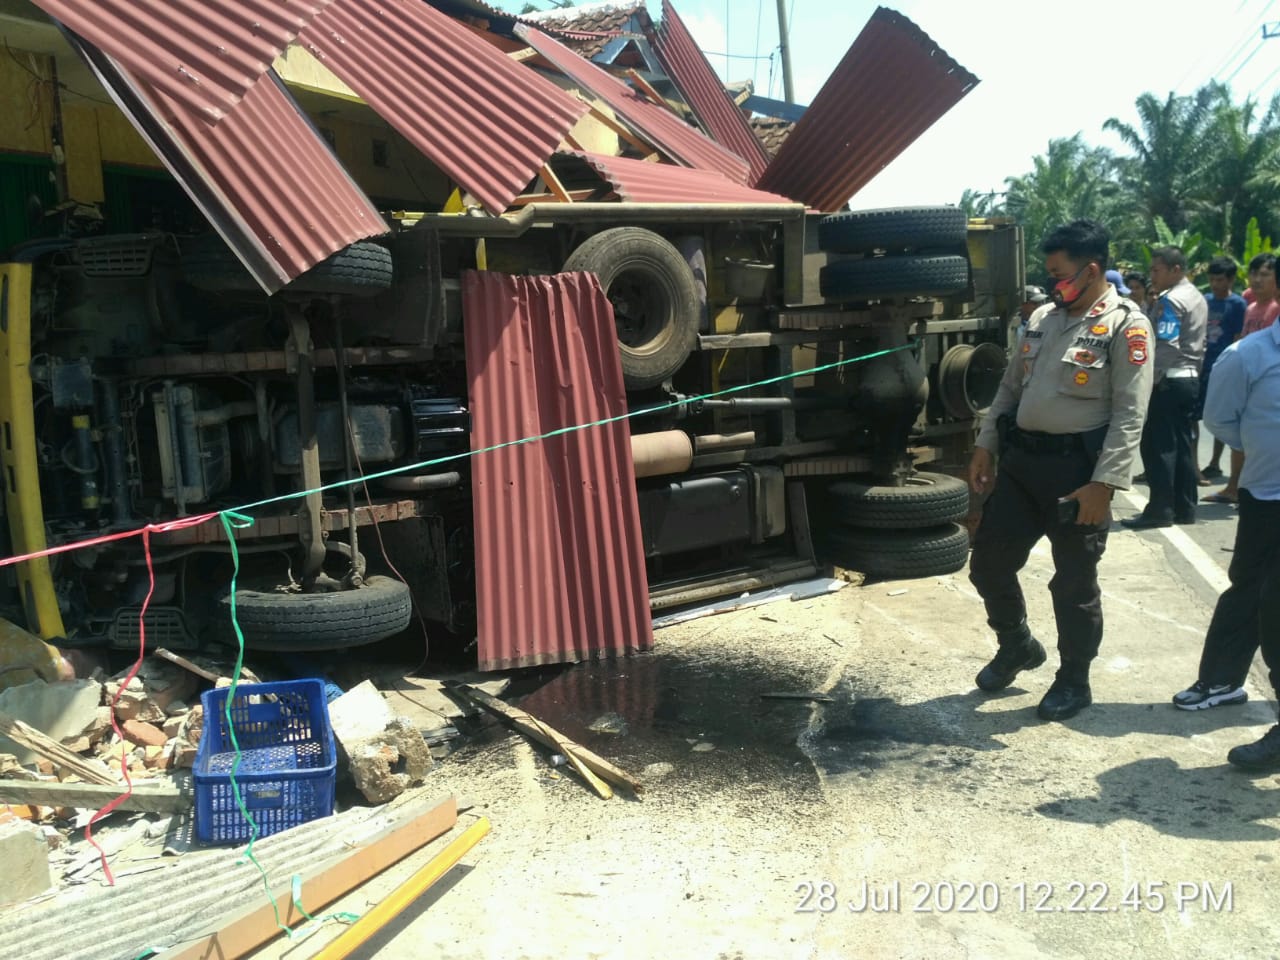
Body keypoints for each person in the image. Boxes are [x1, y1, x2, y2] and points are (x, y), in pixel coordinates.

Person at [968, 220, 1154, 721]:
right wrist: (986, 444)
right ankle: (1017, 645)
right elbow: (1010, 389)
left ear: (1091, 270)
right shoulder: (1044, 318)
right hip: (1022, 466)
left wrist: (1105, 484)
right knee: (987, 563)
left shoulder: (1125, 325)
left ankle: (1074, 679)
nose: (1053, 284)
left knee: (1073, 582)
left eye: (1060, 273)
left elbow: (1131, 414)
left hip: (1079, 475)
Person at [1170, 308, 1280, 771]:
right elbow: (1222, 422)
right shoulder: (1247, 356)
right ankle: (1221, 681)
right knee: (1255, 592)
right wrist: (1263, 450)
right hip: (1268, 494)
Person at [1122, 246, 1208, 529]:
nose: (1151, 275)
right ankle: (1184, 507)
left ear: (1176, 270)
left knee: (1158, 446)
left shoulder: (1171, 301)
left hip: (1168, 379)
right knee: (1181, 446)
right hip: (1188, 377)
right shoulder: (1196, 296)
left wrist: (1151, 379)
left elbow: (1165, 344)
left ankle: (1160, 509)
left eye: (1156, 270)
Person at [1205, 252, 1279, 504]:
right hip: (1265, 496)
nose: (1257, 280)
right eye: (1254, 273)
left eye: (1264, 274)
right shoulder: (1251, 311)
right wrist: (1256, 438)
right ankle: (1234, 485)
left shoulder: (1268, 309)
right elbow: (1218, 419)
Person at [1198, 257, 1246, 483]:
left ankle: (1215, 462)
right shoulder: (1204, 301)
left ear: (1230, 280)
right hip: (1201, 365)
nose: (1215, 284)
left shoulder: (1237, 305)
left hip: (1221, 366)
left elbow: (1237, 337)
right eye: (1212, 279)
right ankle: (1194, 464)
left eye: (1220, 279)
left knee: (1219, 415)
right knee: (1194, 416)